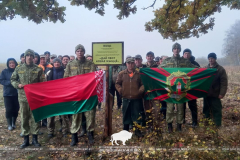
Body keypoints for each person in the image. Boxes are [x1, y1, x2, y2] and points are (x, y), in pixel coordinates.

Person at [159, 43, 198, 133]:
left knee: (180, 109)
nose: (176, 50)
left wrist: (205, 70)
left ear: (180, 50)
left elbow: (194, 69)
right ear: (172, 50)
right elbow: (158, 70)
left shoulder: (184, 61)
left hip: (181, 90)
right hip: (171, 89)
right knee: (170, 108)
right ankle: (169, 126)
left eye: (178, 48)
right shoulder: (167, 61)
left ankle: (179, 126)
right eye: (174, 48)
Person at [11, 49, 44, 148]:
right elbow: (12, 79)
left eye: (31, 55)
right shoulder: (18, 68)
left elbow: (43, 82)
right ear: (24, 57)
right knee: (24, 118)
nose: (29, 57)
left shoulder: (38, 69)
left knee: (35, 118)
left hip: (34, 98)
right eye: (27, 55)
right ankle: (26, 140)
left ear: (34, 57)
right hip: (23, 97)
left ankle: (35, 139)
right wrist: (18, 85)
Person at [64, 44, 96, 146]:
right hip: (75, 94)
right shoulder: (70, 64)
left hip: (88, 94)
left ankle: (90, 134)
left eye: (81, 51)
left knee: (90, 114)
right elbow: (66, 78)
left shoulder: (90, 64)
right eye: (78, 51)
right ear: (75, 52)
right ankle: (74, 137)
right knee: (75, 115)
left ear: (84, 52)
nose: (80, 52)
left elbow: (93, 77)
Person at [115, 57, 146, 137]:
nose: (130, 65)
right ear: (126, 64)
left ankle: (137, 131)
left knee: (136, 115)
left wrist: (140, 91)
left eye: (132, 63)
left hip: (136, 98)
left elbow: (143, 84)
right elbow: (117, 83)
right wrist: (120, 90)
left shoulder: (139, 73)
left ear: (134, 64)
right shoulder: (122, 74)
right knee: (126, 114)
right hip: (126, 98)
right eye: (129, 63)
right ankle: (125, 131)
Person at [45, 58, 69, 138]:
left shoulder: (65, 71)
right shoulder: (49, 72)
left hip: (63, 96)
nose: (57, 63)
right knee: (51, 115)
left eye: (58, 62)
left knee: (64, 115)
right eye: (55, 62)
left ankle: (65, 130)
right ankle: (50, 131)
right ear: (53, 63)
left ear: (60, 63)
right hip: (52, 96)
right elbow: (44, 82)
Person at [203, 53, 228, 127]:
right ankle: (207, 123)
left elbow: (224, 82)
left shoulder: (220, 69)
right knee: (206, 109)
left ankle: (218, 124)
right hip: (206, 93)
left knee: (216, 109)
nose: (211, 60)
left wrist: (222, 93)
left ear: (215, 59)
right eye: (209, 58)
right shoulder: (205, 68)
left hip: (216, 93)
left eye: (212, 58)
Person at [182, 48, 200, 127]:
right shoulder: (180, 63)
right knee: (181, 106)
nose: (187, 55)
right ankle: (182, 121)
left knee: (192, 106)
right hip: (181, 89)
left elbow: (200, 74)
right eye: (185, 53)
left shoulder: (195, 64)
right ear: (183, 55)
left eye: (188, 53)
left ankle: (195, 122)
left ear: (191, 54)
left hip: (192, 88)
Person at [0, 58, 19, 131]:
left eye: (13, 63)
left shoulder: (18, 71)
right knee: (9, 109)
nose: (11, 64)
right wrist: (10, 83)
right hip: (7, 94)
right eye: (10, 63)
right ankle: (9, 124)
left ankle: (13, 123)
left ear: (15, 64)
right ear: (8, 64)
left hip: (16, 93)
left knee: (16, 109)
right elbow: (1, 80)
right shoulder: (4, 72)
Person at [144, 51, 161, 133]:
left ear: (153, 57)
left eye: (151, 56)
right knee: (147, 109)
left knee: (156, 110)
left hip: (156, 92)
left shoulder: (157, 67)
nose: (149, 57)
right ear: (146, 57)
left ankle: (156, 126)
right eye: (148, 56)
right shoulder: (143, 68)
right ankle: (149, 126)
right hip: (146, 93)